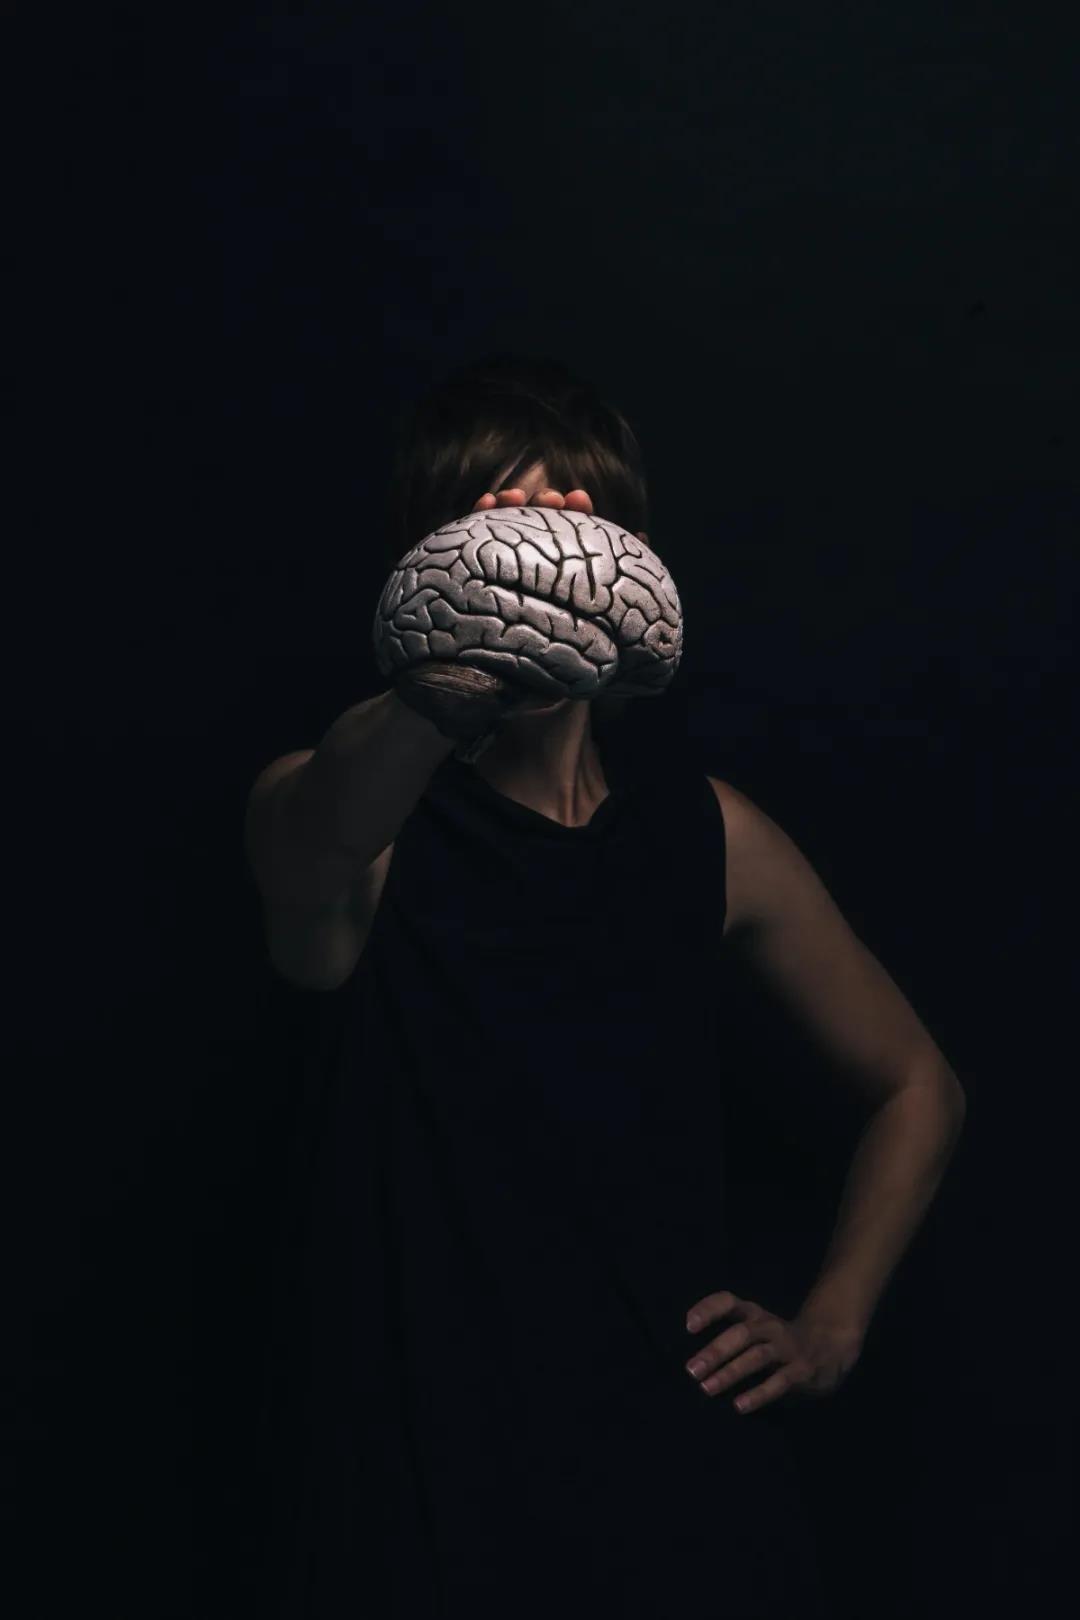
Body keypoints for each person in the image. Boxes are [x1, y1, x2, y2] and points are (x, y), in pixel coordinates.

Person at [243, 353, 967, 1617]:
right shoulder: (347, 812)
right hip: (421, 1470)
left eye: (567, 522)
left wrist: (832, 1323)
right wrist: (444, 687)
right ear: (424, 554)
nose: (534, 555)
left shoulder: (713, 835)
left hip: (678, 1467)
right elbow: (317, 848)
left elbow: (919, 1084)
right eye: (493, 521)